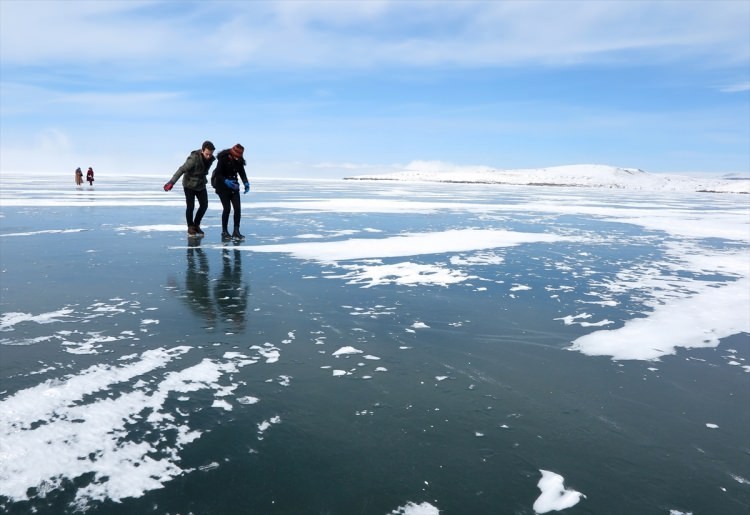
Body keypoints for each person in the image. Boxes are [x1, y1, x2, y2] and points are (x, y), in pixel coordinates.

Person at [163, 140, 216, 237]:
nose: (209, 156)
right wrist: (171, 182)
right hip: (189, 185)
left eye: (210, 154)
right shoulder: (194, 159)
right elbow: (182, 169)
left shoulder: (211, 159)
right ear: (202, 151)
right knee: (190, 206)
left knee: (204, 205)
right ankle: (190, 227)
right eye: (207, 154)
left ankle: (196, 224)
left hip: (200, 185)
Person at [213, 143, 249, 241]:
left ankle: (236, 231)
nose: (238, 159)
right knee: (227, 208)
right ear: (232, 154)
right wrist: (226, 181)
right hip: (222, 187)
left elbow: (242, 172)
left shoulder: (239, 160)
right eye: (236, 157)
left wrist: (246, 182)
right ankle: (224, 231)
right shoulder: (223, 158)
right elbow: (218, 174)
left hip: (234, 187)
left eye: (239, 157)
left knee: (237, 209)